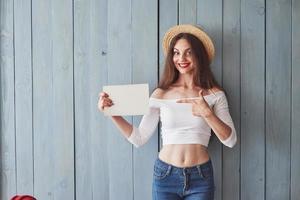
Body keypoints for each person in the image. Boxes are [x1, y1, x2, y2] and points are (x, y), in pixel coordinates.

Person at [98, 24, 237, 200]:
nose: (182, 58)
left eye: (189, 52)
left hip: (201, 177)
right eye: (176, 53)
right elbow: (139, 138)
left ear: (199, 55)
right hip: (165, 176)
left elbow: (231, 140)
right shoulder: (160, 94)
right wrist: (112, 112)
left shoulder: (215, 94)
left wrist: (207, 113)